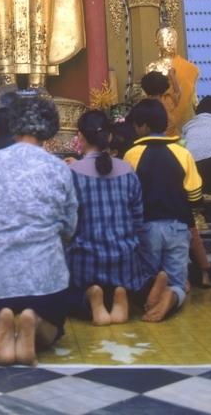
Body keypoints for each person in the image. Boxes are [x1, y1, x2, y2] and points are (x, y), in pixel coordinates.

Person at [0, 96, 77, 366]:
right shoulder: (60, 169)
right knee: (54, 332)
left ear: (13, 127)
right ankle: (34, 322)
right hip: (44, 280)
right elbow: (70, 226)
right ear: (49, 131)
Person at [124, 99, 202, 320]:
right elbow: (195, 196)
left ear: (144, 126)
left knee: (145, 275)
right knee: (178, 280)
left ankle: (153, 289)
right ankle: (171, 294)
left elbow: (128, 195)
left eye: (135, 125)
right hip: (178, 226)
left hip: (146, 226)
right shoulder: (182, 153)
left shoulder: (132, 154)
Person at [66, 110, 144, 326]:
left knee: (60, 294)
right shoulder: (128, 170)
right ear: (109, 136)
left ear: (80, 137)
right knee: (128, 275)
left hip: (86, 261)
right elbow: (138, 219)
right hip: (124, 260)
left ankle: (91, 295)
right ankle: (121, 292)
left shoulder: (72, 172)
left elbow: (67, 223)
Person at [140, 70, 181, 137]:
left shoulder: (142, 105)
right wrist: (172, 75)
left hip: (153, 140)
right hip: (174, 140)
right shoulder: (167, 100)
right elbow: (178, 92)